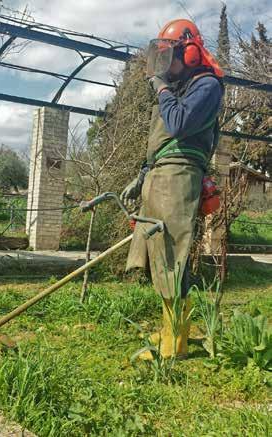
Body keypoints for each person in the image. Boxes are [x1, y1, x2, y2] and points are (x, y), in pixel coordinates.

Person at [121, 19, 224, 360]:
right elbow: (160, 144)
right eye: (160, 58)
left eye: (170, 57)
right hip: (161, 174)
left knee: (172, 257)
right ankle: (171, 329)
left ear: (191, 53)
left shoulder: (206, 86)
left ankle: (174, 345)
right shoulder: (181, 89)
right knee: (157, 257)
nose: (165, 67)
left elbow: (179, 125)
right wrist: (142, 175)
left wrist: (162, 89)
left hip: (179, 177)